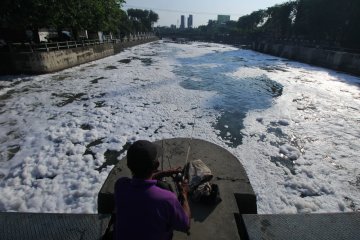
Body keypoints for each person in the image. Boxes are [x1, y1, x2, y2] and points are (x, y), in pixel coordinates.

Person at [114, 140, 191, 240]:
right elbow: (186, 226)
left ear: (128, 165)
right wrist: (184, 194)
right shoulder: (167, 199)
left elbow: (141, 180)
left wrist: (164, 173)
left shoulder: (120, 185)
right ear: (156, 165)